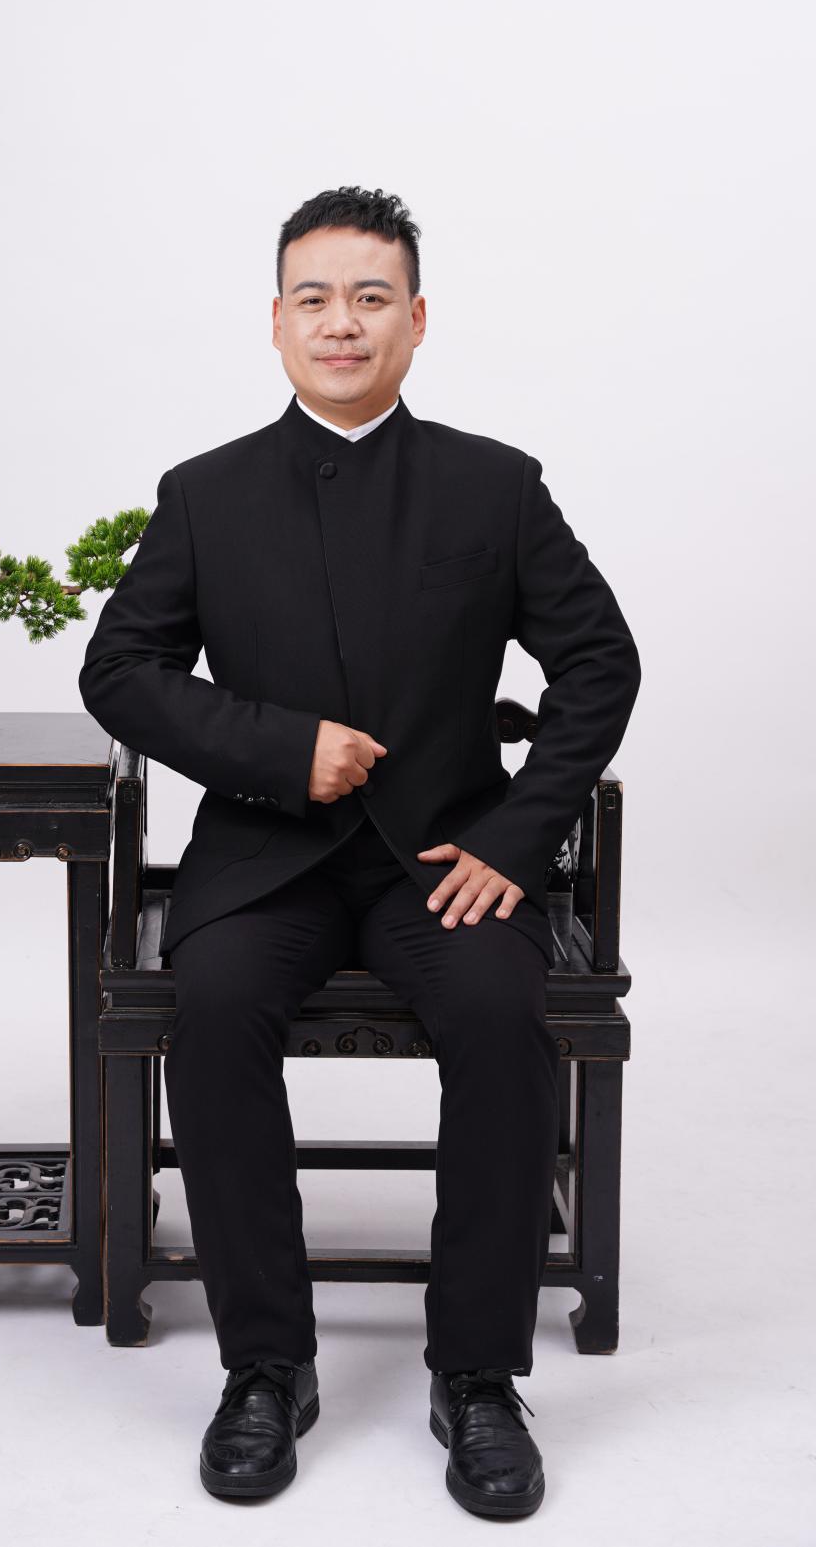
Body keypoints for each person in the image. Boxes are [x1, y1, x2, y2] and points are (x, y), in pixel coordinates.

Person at [78, 185, 642, 1515]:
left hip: (441, 861)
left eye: (371, 298)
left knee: (502, 1013)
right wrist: (283, 748)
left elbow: (600, 663)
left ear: (417, 320)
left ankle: (479, 1375)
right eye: (316, 298)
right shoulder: (206, 492)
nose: (343, 322)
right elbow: (120, 670)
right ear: (277, 322)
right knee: (212, 1009)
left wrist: (518, 834)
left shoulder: (495, 485)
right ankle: (266, 1364)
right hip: (263, 858)